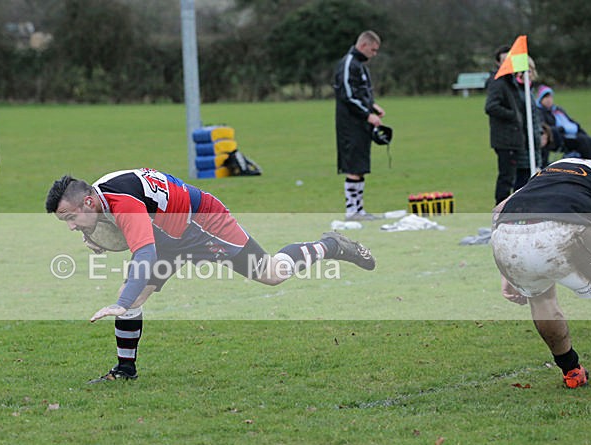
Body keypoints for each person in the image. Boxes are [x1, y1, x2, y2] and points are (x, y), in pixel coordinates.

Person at [45, 168, 376, 383]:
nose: (72, 226)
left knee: (272, 273)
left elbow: (143, 253)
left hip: (203, 223)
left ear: (88, 200)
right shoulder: (101, 196)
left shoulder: (121, 201)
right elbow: (129, 232)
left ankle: (331, 245)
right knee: (136, 294)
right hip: (169, 236)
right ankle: (125, 370)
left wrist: (120, 302)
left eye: (71, 218)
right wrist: (95, 235)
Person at [491, 157, 591, 389]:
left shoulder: (549, 171)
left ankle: (572, 372)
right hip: (562, 230)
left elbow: (498, 210)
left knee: (541, 301)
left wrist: (506, 274)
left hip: (507, 236)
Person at [334, 30, 385, 221]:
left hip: (362, 123)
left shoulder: (360, 66)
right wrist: (367, 114)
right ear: (363, 46)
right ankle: (351, 211)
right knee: (353, 166)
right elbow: (347, 95)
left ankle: (359, 209)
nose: (374, 54)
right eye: (373, 50)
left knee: (361, 166)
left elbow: (361, 94)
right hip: (350, 124)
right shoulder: (348, 64)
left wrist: (373, 106)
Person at [484, 50, 542, 205]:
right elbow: (491, 107)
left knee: (524, 177)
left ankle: (519, 210)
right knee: (508, 178)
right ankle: (501, 212)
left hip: (523, 140)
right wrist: (514, 115)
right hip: (507, 140)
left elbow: (531, 115)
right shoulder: (499, 82)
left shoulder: (520, 87)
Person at [536, 85, 591, 166]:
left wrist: (575, 126)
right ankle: (590, 163)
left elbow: (569, 120)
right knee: (583, 141)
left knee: (589, 140)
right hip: (560, 138)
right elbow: (546, 128)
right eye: (546, 98)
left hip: (572, 134)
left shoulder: (558, 109)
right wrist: (562, 129)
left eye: (550, 97)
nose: (549, 100)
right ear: (541, 99)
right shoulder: (540, 112)